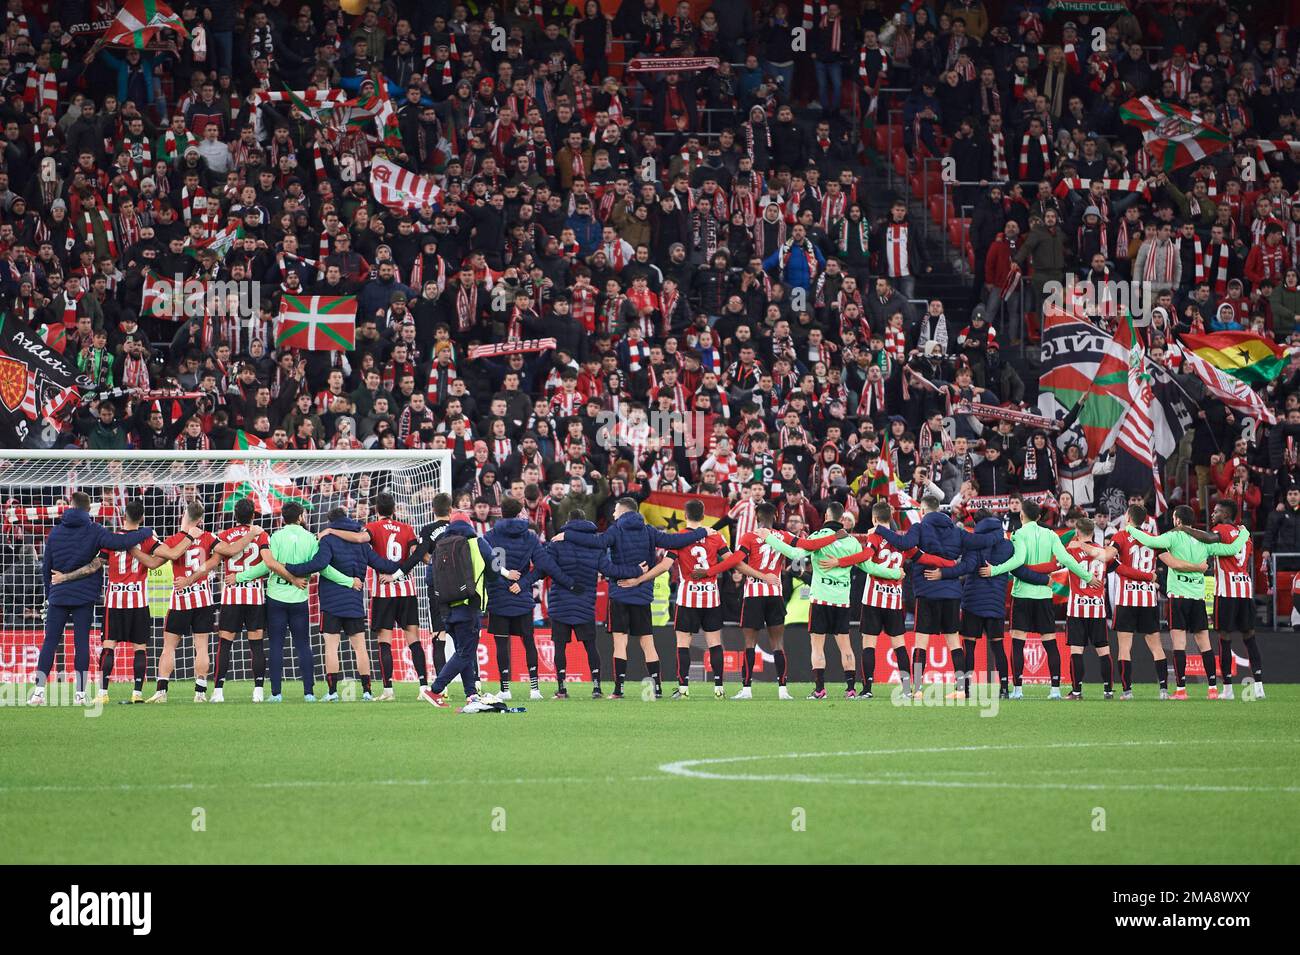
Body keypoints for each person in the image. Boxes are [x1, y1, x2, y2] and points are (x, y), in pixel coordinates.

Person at [555, 497, 706, 700]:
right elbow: (674, 541)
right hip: (642, 596)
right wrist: (702, 532)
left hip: (619, 594)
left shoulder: (616, 530)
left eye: (616, 511)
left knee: (620, 643)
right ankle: (658, 689)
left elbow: (597, 542)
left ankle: (618, 690)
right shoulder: (648, 530)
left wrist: (568, 535)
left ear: (623, 511)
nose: (613, 514)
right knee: (647, 643)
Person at [29, 492, 155, 706]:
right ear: (88, 509)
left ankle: (38, 692)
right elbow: (121, 541)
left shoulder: (55, 532)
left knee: (49, 642)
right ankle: (80, 694)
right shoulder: (94, 530)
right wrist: (147, 530)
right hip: (84, 596)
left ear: (70, 506)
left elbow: (46, 567)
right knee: (81, 643)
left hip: (58, 594)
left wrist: (50, 591)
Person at [232, 502, 361, 702]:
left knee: (275, 645)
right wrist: (348, 581)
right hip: (299, 598)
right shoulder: (310, 539)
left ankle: (276, 694)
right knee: (303, 646)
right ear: (301, 516)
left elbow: (266, 566)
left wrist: (239, 577)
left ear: (283, 518)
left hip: (276, 599)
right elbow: (324, 568)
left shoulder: (275, 537)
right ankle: (309, 693)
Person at [765, 501, 890, 700]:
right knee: (846, 647)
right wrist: (894, 572)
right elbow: (870, 568)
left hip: (820, 600)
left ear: (825, 517)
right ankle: (850, 690)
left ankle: (820, 690)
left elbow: (795, 554)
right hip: (841, 601)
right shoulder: (852, 543)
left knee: (817, 646)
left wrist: (770, 538)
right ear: (842, 520)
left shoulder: (818, 537)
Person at [1127, 505, 1248, 700]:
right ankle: (1212, 689)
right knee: (1205, 644)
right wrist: (1244, 533)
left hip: (1179, 598)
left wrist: (1129, 528)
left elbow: (1149, 540)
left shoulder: (1174, 536)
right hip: (1198, 599)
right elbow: (1233, 548)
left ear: (1176, 520)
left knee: (1179, 645)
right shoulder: (1204, 540)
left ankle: (1181, 690)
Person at [145, 502, 262, 703]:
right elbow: (232, 548)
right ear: (200, 520)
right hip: (203, 600)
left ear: (184, 515)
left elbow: (155, 561)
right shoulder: (209, 538)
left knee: (169, 647)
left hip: (180, 600)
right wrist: (251, 534)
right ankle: (200, 692)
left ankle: (162, 691)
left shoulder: (174, 540)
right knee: (201, 647)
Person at [286, 507, 405, 702]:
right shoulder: (360, 542)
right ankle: (367, 691)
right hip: (354, 601)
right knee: (360, 647)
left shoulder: (328, 538)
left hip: (331, 602)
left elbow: (319, 564)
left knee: (331, 646)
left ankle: (332, 692)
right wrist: (403, 564)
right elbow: (382, 564)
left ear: (330, 522)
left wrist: (290, 568)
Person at [982, 499, 1095, 699]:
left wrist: (994, 570)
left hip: (1023, 595)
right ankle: (1055, 690)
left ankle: (1017, 690)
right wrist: (1087, 576)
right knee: (1049, 642)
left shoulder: (1018, 534)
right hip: (1044, 595)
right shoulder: (1051, 535)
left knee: (1018, 643)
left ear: (1021, 515)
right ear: (1040, 517)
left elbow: (1018, 562)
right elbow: (1068, 559)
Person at [702, 502, 803, 700]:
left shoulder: (749, 536)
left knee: (749, 644)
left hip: (753, 595)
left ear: (756, 516)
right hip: (775, 593)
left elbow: (735, 561)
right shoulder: (783, 536)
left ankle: (746, 689)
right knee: (778, 644)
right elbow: (801, 553)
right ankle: (783, 690)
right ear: (775, 515)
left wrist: (709, 571)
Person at [484, 497, 579, 701]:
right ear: (520, 513)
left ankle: (505, 689)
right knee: (528, 642)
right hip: (522, 598)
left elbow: (490, 568)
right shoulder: (530, 537)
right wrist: (523, 583)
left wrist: (505, 583)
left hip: (498, 598)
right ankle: (534, 689)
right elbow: (543, 565)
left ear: (501, 512)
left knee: (502, 644)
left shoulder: (490, 535)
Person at [424, 513, 499, 710]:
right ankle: (435, 689)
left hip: (447, 609)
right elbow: (494, 570)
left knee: (463, 652)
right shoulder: (477, 543)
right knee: (466, 653)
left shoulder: (439, 547)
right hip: (469, 606)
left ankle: (471, 694)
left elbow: (429, 580)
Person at [1105, 503, 1169, 700]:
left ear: (1127, 517)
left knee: (1124, 647)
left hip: (1127, 598)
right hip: (1149, 599)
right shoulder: (1153, 539)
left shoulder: (1121, 536)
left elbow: (1108, 562)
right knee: (1156, 646)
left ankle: (1127, 691)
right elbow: (1168, 562)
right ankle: (1164, 690)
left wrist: (1116, 565)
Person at [365, 493, 425, 700]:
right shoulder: (407, 529)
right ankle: (424, 687)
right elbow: (417, 555)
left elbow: (363, 547)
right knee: (413, 639)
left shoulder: (372, 527)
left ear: (376, 510)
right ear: (394, 509)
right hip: (407, 590)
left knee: (384, 642)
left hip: (383, 592)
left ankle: (388, 690)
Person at [1207, 501, 1264, 699]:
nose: (1212, 514)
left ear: (1226, 513)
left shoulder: (1219, 530)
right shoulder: (1245, 536)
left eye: (1216, 511)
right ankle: (1259, 687)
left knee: (1224, 638)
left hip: (1226, 592)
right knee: (1250, 638)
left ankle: (1228, 689)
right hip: (1245, 591)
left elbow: (1210, 543)